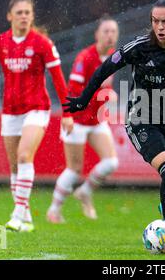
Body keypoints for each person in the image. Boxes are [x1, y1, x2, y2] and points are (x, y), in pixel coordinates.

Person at [63, 0, 165, 253]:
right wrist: (84, 99)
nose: (160, 28)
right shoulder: (140, 47)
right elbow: (106, 67)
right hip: (143, 121)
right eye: (155, 21)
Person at [0, 0, 74, 232]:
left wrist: (67, 113)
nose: (24, 17)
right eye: (19, 13)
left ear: (32, 16)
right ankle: (26, 218)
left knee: (25, 156)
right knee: (15, 166)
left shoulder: (42, 44)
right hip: (10, 111)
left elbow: (58, 80)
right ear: (10, 16)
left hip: (36, 109)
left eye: (28, 13)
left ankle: (16, 213)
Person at [47, 15, 120, 223]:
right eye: (106, 31)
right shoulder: (84, 58)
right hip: (77, 119)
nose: (110, 35)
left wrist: (107, 96)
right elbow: (74, 91)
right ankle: (54, 210)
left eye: (113, 31)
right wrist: (68, 115)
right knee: (75, 169)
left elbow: (104, 87)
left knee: (111, 162)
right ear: (97, 34)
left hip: (96, 120)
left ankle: (85, 191)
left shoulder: (113, 57)